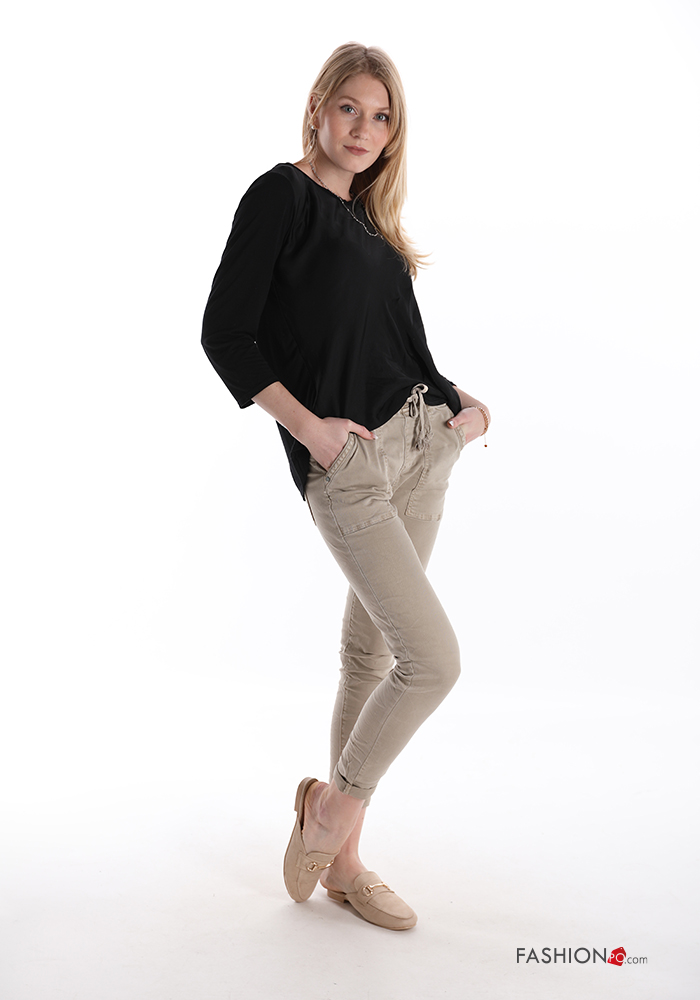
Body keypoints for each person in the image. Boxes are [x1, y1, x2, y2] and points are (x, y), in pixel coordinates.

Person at [201, 42, 490, 931]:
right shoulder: (279, 197)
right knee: (433, 661)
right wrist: (311, 430)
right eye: (350, 108)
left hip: (423, 447)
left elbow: (403, 350)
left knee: (372, 658)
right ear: (318, 108)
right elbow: (225, 335)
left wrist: (459, 404)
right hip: (349, 466)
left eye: (382, 116)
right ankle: (330, 809)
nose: (364, 128)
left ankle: (345, 867)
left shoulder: (373, 229)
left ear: (393, 133)